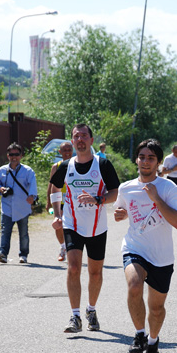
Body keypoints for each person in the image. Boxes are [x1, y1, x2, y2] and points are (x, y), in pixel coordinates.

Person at [114, 139, 177, 353]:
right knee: (134, 285)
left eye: (151, 158)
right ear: (136, 160)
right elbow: (123, 210)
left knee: (156, 308)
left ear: (158, 163)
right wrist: (120, 214)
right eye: (142, 157)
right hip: (135, 248)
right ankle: (139, 335)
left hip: (162, 256)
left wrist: (156, 198)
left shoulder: (167, 188)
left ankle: (153, 342)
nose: (145, 161)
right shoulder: (126, 188)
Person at [50, 123, 120, 333]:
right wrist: (57, 214)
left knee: (95, 273)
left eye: (83, 136)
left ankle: (91, 309)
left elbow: (115, 193)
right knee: (73, 267)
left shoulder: (103, 165)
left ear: (90, 140)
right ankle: (75, 316)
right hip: (72, 224)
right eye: (76, 136)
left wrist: (98, 199)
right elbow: (55, 188)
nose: (79, 139)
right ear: (72, 141)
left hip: (98, 226)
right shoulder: (65, 166)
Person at [0, 142, 38, 264]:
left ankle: (23, 255)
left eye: (17, 154)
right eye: (11, 154)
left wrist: (32, 196)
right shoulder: (2, 170)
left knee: (23, 233)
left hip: (22, 207)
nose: (14, 157)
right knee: (5, 232)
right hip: (7, 207)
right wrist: (0, 189)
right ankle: (3, 254)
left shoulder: (28, 171)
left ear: (21, 156)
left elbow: (33, 185)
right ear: (7, 156)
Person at [46, 141, 74, 261]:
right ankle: (63, 247)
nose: (67, 153)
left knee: (72, 227)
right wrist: (48, 201)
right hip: (59, 201)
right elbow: (51, 185)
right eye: (65, 150)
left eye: (69, 150)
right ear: (60, 152)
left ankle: (72, 249)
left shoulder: (76, 164)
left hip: (73, 202)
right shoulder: (56, 167)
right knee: (58, 225)